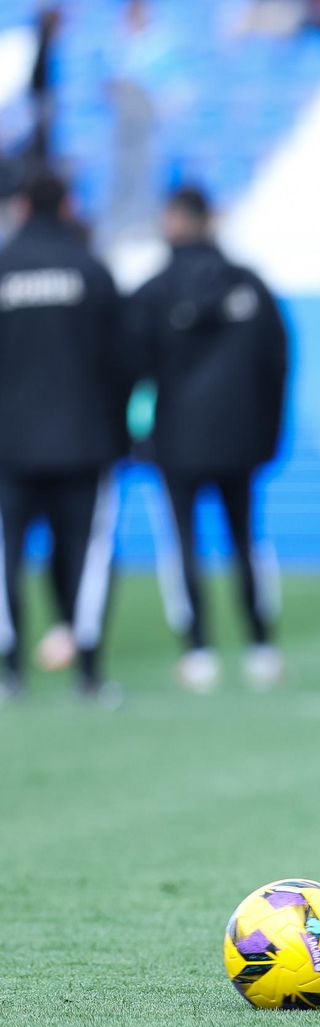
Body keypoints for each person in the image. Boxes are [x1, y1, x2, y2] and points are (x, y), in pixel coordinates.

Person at [129, 186, 289, 692]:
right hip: (241, 439)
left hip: (176, 440)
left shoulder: (153, 291)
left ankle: (198, 649)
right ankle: (262, 644)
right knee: (246, 541)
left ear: (175, 219)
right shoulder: (250, 287)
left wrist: (139, 436)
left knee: (183, 546)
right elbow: (278, 365)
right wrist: (267, 434)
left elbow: (132, 372)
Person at [0, 172, 130, 706]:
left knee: (5, 556)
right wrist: (120, 433)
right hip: (85, 441)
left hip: (8, 444)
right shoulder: (92, 270)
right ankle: (90, 671)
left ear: (22, 207)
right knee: (86, 553)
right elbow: (123, 361)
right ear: (70, 206)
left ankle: (9, 673)